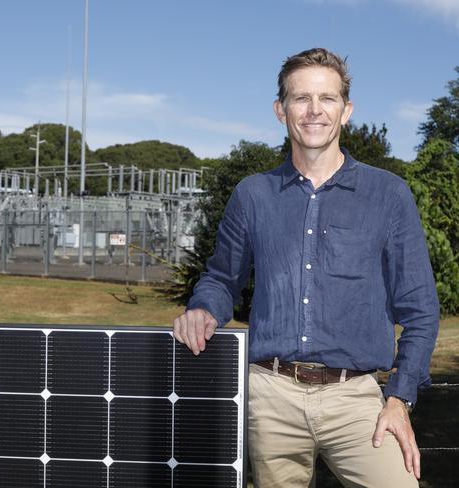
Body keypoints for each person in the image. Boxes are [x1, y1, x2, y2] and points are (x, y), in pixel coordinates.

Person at [173, 47, 439, 487]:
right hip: (270, 393)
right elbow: (222, 278)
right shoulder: (253, 195)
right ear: (281, 110)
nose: (314, 111)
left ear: (346, 110)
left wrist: (399, 398)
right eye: (301, 99)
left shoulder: (389, 195)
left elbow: (420, 311)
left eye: (327, 98)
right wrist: (204, 308)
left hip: (357, 399)